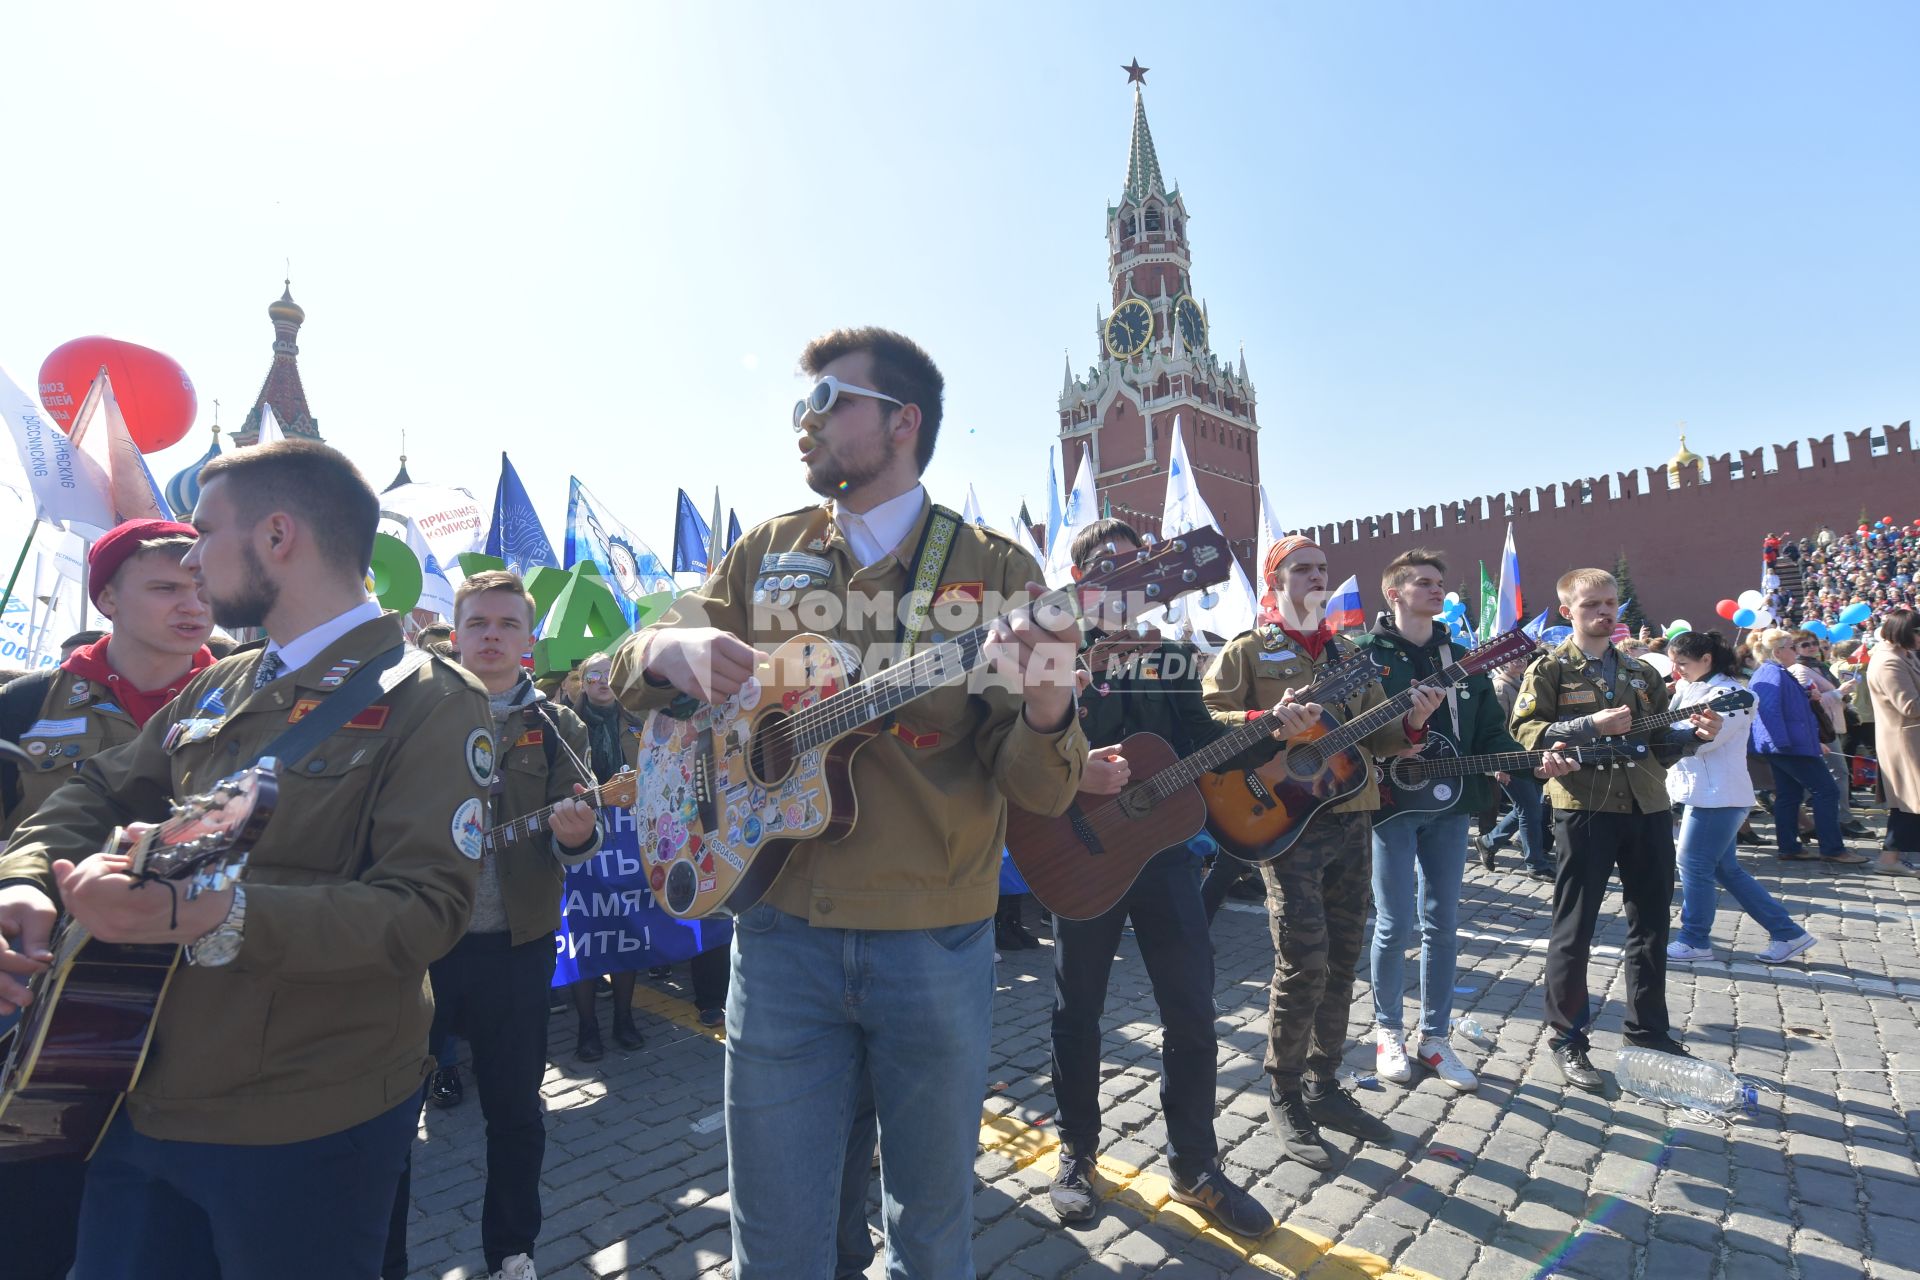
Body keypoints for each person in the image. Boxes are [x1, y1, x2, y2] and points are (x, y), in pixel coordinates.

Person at [608, 327, 1086, 1277]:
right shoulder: (764, 549)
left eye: (825, 400)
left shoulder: (994, 572)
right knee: (775, 1240)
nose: (803, 424)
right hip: (781, 937)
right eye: (799, 406)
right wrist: (667, 652)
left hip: (934, 941)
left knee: (931, 1231)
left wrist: (1048, 701)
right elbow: (625, 665)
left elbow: (1037, 787)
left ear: (902, 422)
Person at [0, 440, 491, 1280]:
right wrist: (25, 879)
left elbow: (424, 910)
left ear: (276, 535)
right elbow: (99, 791)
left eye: (202, 531)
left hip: (300, 1124)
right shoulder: (217, 684)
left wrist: (219, 914)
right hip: (142, 1093)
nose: (190, 556)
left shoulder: (431, 699)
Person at [1046, 518, 1309, 1235]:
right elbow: (1028, 755)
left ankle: (1195, 1165)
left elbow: (1202, 747)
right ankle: (1076, 1153)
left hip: (1162, 857)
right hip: (1079, 853)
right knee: (1079, 1014)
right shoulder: (1057, 651)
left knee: (1192, 1010)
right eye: (1111, 564)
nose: (1129, 574)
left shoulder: (1171, 656)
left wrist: (1269, 727)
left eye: (1140, 564)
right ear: (1084, 580)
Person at [0, 519, 214, 1280]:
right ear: (109, 599)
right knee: (36, 1226)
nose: (192, 602)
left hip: (197, 1010)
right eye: (165, 587)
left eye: (199, 583)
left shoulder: (250, 698)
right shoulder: (26, 705)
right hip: (52, 1020)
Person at [1201, 534, 1444, 1168]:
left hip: (1352, 816)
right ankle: (1284, 1090)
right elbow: (1205, 722)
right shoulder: (1249, 651)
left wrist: (1413, 723)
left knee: (1342, 957)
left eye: (1323, 569)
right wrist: (1264, 721)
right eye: (1302, 569)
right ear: (1274, 581)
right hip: (1287, 825)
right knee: (1302, 960)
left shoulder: (1351, 655)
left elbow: (1380, 736)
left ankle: (1325, 1082)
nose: (1316, 577)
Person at [385, 571, 601, 1280]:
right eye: (478, 623)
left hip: (517, 945)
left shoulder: (558, 725)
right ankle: (382, 1256)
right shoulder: (412, 708)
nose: (492, 636)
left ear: (529, 639)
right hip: (419, 942)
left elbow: (580, 835)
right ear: (456, 630)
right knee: (388, 1112)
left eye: (508, 624)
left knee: (514, 1111)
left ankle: (512, 1249)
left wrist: (573, 835)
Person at [1354, 550, 1575, 1093]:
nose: (1435, 590)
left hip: (1453, 805)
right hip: (1391, 805)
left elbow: (1491, 735)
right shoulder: (1364, 656)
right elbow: (1352, 733)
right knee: (1392, 923)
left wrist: (1534, 759)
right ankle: (1388, 1030)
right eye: (1423, 583)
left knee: (1442, 924)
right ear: (1395, 594)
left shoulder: (1466, 658)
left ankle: (1434, 1037)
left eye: (1438, 582)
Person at [1510, 568, 1721, 1092]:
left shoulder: (1641, 672)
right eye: (1592, 605)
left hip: (1647, 803)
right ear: (1569, 612)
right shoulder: (1551, 668)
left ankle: (1648, 1030)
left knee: (1651, 924)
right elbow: (1525, 731)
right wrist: (1588, 726)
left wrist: (1694, 736)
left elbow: (1658, 743)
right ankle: (1567, 1038)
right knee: (1574, 927)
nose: (1605, 613)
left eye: (1611, 604)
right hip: (1584, 807)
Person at [1663, 630, 1819, 963]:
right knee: (1725, 870)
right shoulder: (1689, 688)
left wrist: (1668, 731)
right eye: (1674, 664)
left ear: (1707, 660)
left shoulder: (1733, 694)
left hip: (1719, 794)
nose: (1677, 670)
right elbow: (1673, 732)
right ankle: (1788, 933)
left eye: (1683, 663)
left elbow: (1706, 741)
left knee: (1691, 863)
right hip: (1702, 792)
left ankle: (1695, 939)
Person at [566, 650, 645, 1056]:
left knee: (625, 930)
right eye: (593, 674)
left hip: (628, 847)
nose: (602, 681)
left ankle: (624, 1019)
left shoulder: (636, 724)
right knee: (586, 935)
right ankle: (586, 1028)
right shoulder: (563, 724)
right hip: (582, 845)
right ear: (581, 682)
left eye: (608, 674)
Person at [1749, 628, 1865, 866]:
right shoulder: (1771, 673)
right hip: (1789, 745)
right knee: (1827, 791)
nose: (1796, 651)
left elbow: (1782, 703)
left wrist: (1805, 695)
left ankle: (1790, 847)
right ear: (1778, 651)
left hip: (1787, 744)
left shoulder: (1775, 671)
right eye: (1792, 647)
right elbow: (1769, 712)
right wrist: (1784, 743)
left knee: (1789, 795)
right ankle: (1832, 848)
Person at [1476, 656, 1555, 880]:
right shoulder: (1500, 686)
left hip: (1528, 758)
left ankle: (1488, 841)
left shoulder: (1522, 683)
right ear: (1503, 663)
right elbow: (1497, 729)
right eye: (1514, 659)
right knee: (1530, 809)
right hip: (1510, 759)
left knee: (1527, 807)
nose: (1520, 662)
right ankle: (1535, 864)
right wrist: (1501, 764)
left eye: (1523, 658)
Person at [1866, 609, 1920, 877]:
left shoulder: (1902, 655)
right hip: (1905, 742)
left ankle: (1890, 858)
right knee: (1909, 802)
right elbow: (1910, 706)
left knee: (1910, 803)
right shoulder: (1888, 661)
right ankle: (1888, 859)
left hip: (1910, 741)